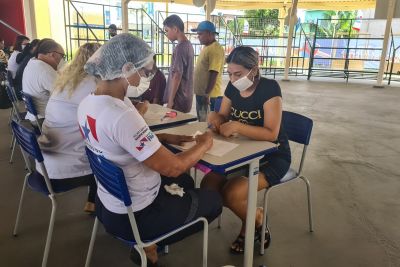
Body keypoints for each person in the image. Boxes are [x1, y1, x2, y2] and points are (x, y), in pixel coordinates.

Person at [78, 33, 222, 265]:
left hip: (108, 204)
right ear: (126, 69)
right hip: (138, 217)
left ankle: (149, 245)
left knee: (186, 184)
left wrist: (164, 136)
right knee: (213, 200)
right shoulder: (121, 115)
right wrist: (204, 144)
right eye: (143, 71)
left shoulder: (89, 103)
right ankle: (148, 244)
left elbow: (119, 141)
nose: (145, 77)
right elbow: (174, 168)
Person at [202, 46, 291, 254]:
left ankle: (256, 220)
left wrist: (239, 127)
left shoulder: (270, 89)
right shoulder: (233, 88)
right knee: (209, 187)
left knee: (233, 194)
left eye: (238, 74)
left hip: (273, 156)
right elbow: (223, 115)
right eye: (230, 73)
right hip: (240, 151)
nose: (233, 79)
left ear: (254, 69)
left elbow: (271, 134)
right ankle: (251, 217)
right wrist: (216, 118)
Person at [37, 42, 101, 213]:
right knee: (113, 159)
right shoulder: (92, 84)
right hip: (63, 171)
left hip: (44, 165)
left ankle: (92, 202)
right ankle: (121, 217)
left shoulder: (65, 81)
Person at [22, 38, 64, 121]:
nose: (61, 60)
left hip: (33, 115)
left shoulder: (32, 62)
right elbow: (64, 95)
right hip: (43, 119)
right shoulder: (45, 70)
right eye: (62, 56)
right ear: (52, 55)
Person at [192, 21, 225, 121]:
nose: (198, 36)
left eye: (201, 34)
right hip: (202, 93)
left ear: (210, 33)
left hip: (210, 95)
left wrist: (207, 94)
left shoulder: (215, 49)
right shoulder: (207, 47)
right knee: (202, 120)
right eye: (198, 34)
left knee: (207, 124)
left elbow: (214, 73)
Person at [162, 14, 194, 113]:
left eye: (167, 30)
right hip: (186, 97)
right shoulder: (189, 45)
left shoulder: (180, 48)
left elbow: (177, 75)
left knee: (175, 127)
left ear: (175, 29)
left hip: (178, 99)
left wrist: (170, 101)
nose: (166, 34)